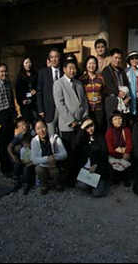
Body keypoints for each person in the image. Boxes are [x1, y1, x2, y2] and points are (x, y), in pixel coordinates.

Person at [53, 58, 89, 187]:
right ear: (64, 69)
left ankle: (80, 177)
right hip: (68, 125)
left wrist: (85, 116)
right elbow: (60, 105)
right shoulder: (58, 84)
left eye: (74, 68)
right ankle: (69, 179)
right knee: (70, 152)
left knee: (80, 151)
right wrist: (71, 120)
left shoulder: (78, 83)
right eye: (70, 68)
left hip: (80, 123)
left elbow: (84, 101)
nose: (72, 71)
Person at [0, 63, 17, 177]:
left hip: (10, 115)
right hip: (0, 116)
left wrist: (15, 115)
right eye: (1, 72)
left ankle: (12, 166)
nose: (4, 73)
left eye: (5, 71)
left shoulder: (9, 85)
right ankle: (4, 168)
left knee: (11, 142)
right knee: (2, 143)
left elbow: (12, 102)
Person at [31, 119, 68, 195]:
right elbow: (34, 159)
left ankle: (58, 183)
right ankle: (44, 184)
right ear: (35, 131)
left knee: (53, 169)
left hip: (54, 165)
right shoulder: (34, 141)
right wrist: (47, 158)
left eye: (43, 127)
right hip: (43, 165)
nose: (41, 130)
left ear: (46, 127)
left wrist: (54, 158)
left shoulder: (54, 137)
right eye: (38, 129)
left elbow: (64, 154)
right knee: (38, 168)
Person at [76, 118, 110, 198]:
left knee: (97, 193)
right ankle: (90, 184)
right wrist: (81, 128)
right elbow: (76, 144)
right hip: (86, 170)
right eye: (87, 127)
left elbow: (104, 155)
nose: (90, 129)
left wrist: (96, 165)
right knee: (81, 186)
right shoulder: (82, 138)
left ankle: (102, 183)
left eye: (91, 126)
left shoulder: (100, 137)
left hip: (97, 170)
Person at [102, 48, 131, 127]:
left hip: (122, 100)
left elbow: (126, 84)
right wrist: (121, 94)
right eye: (115, 58)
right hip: (112, 100)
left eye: (119, 58)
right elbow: (109, 85)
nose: (117, 60)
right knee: (112, 122)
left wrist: (126, 97)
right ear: (111, 57)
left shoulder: (122, 71)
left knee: (122, 122)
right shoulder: (106, 71)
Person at [37, 48, 62, 137]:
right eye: (52, 57)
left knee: (62, 133)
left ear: (59, 58)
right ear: (49, 59)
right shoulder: (43, 73)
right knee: (52, 135)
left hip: (63, 108)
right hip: (48, 109)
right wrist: (40, 109)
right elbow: (39, 92)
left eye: (56, 57)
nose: (54, 59)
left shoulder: (64, 71)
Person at [106, 110, 133, 187]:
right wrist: (121, 154)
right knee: (114, 161)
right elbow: (110, 149)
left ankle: (126, 179)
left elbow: (129, 144)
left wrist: (126, 153)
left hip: (125, 154)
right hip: (115, 154)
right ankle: (116, 178)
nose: (118, 121)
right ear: (111, 121)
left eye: (119, 118)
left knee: (128, 159)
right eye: (115, 119)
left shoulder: (126, 130)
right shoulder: (109, 132)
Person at [6, 117, 34, 192]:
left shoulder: (33, 133)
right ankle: (17, 179)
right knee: (14, 158)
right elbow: (9, 146)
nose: (22, 127)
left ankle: (26, 183)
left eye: (23, 124)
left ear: (27, 124)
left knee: (26, 167)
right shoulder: (19, 136)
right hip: (24, 155)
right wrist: (13, 156)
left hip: (32, 156)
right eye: (19, 126)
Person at [80, 56, 106, 133]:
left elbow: (104, 90)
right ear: (86, 65)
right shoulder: (82, 79)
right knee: (89, 130)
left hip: (99, 108)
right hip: (87, 109)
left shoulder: (100, 78)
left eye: (93, 63)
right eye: (89, 63)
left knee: (99, 129)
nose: (91, 66)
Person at [15, 56, 38, 129]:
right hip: (24, 104)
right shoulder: (20, 76)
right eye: (26, 63)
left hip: (34, 103)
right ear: (23, 64)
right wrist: (21, 101)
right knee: (26, 123)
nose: (28, 64)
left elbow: (39, 86)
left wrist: (35, 90)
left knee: (35, 122)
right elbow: (17, 91)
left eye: (29, 62)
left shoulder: (35, 74)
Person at [125, 51, 138, 119]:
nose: (134, 60)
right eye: (132, 59)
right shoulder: (126, 72)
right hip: (129, 97)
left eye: (136, 58)